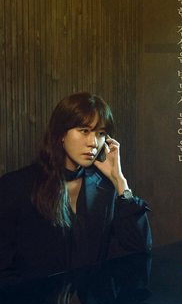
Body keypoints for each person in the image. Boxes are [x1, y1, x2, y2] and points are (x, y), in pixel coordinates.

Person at [0, 92, 151, 287]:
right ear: (61, 134)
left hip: (94, 303)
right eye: (84, 131)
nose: (93, 143)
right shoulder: (16, 186)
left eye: (101, 134)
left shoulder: (104, 186)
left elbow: (140, 251)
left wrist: (120, 182)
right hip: (36, 303)